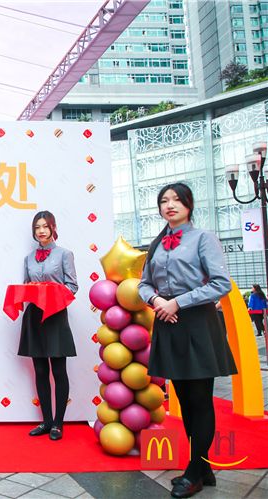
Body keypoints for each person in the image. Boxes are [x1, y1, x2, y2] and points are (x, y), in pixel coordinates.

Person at [138, 182, 237, 499]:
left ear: (189, 204)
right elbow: (143, 284)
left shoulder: (203, 238)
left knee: (200, 399)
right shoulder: (157, 244)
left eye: (176, 200)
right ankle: (203, 468)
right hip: (167, 323)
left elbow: (221, 284)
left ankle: (194, 472)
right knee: (183, 398)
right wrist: (156, 300)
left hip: (196, 323)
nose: (170, 205)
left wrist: (177, 303)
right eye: (164, 201)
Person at [18, 210, 78, 441]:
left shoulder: (65, 254)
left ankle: (58, 424)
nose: (41, 231)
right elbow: (26, 284)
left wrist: (53, 294)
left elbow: (72, 286)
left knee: (59, 370)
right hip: (34, 316)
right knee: (40, 371)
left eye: (45, 226)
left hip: (55, 316)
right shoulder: (28, 259)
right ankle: (46, 421)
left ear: (53, 228)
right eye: (37, 227)